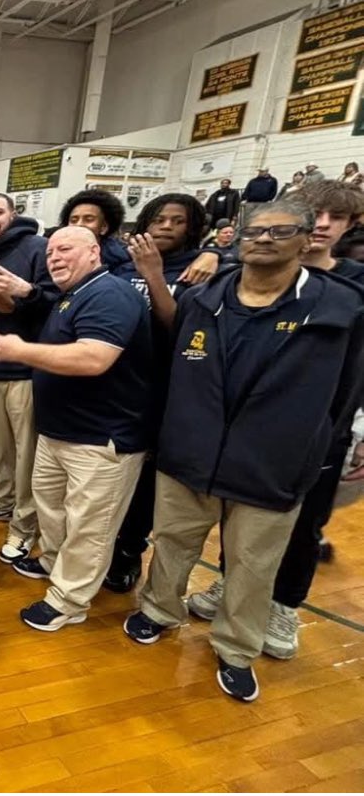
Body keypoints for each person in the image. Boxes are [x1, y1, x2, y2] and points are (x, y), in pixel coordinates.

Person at [123, 198, 364, 702]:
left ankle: (236, 647)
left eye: (280, 232)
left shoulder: (340, 307)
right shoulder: (204, 297)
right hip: (190, 451)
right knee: (171, 542)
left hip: (272, 460)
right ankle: (159, 611)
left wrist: (323, 441)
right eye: (255, 231)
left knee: (253, 563)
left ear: (306, 239)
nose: (264, 240)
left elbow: (346, 393)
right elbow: (173, 361)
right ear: (237, 236)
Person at [186, 182, 364, 660]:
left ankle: (284, 605)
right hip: (247, 429)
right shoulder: (239, 276)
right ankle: (229, 585)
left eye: (334, 217)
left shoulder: (353, 289)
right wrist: (211, 256)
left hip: (324, 431)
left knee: (302, 523)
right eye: (316, 214)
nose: (324, 224)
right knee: (241, 518)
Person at [0, 226, 152, 632]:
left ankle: (68, 601)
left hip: (101, 437)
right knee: (52, 509)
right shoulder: (73, 294)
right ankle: (54, 562)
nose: (54, 257)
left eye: (65, 249)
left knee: (90, 525)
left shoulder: (111, 293)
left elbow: (94, 358)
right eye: (51, 251)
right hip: (59, 431)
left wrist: (20, 351)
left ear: (94, 252)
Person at [103, 194, 208, 592]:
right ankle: (103, 545)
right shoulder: (120, 266)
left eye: (177, 221)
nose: (166, 226)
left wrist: (155, 274)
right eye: (159, 219)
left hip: (165, 389)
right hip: (118, 385)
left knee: (146, 479)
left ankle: (129, 550)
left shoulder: (197, 270)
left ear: (192, 228)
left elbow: (179, 327)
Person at [0, 194, 58, 567]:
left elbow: (53, 298)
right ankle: (2, 503)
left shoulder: (37, 248)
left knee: (26, 455)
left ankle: (24, 525)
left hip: (25, 368)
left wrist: (25, 291)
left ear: (13, 215)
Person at [57, 190, 128, 270]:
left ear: (104, 227)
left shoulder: (122, 264)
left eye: (88, 219)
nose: (79, 224)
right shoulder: (55, 257)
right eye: (73, 220)